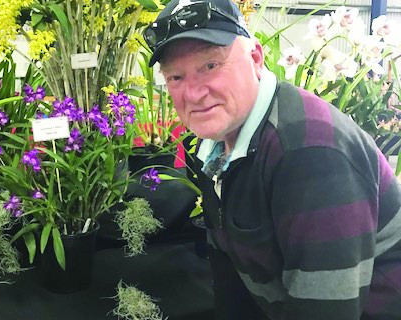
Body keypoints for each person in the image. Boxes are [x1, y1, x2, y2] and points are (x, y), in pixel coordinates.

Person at [143, 0, 401, 319]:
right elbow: (229, 272)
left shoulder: (311, 154)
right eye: (176, 78)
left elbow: (326, 309)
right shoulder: (216, 143)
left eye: (210, 66)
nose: (193, 94)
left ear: (255, 57)